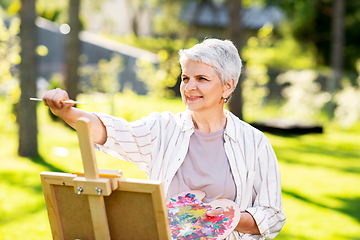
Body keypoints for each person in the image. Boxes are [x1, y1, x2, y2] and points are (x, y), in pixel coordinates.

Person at [43, 38, 285, 239]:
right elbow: (114, 132)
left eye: (201, 79)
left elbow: (272, 215)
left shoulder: (254, 143)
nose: (189, 87)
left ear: (227, 87)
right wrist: (68, 112)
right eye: (185, 78)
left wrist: (228, 218)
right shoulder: (163, 128)